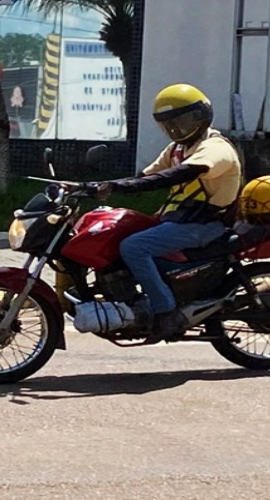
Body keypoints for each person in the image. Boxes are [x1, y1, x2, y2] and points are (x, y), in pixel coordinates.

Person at [96, 83, 242, 343]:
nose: (176, 129)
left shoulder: (216, 147)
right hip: (180, 219)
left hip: (205, 223)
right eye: (169, 125)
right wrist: (97, 186)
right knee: (116, 233)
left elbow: (176, 174)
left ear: (201, 116)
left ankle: (166, 311)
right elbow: (144, 177)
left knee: (134, 247)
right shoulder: (176, 149)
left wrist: (118, 186)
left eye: (182, 121)